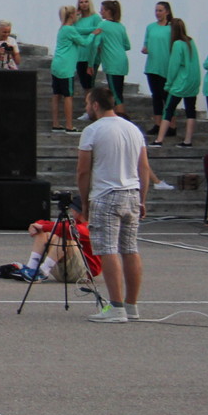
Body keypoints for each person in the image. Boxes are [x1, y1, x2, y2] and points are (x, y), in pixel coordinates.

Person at [76, 86, 151, 322]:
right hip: (131, 193)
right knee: (130, 249)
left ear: (96, 105)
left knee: (107, 249)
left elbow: (83, 170)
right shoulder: (133, 129)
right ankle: (131, 305)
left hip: (106, 194)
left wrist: (85, 202)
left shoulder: (92, 130)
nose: (86, 108)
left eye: (87, 104)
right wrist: (142, 198)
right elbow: (144, 167)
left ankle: (116, 307)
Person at [15, 195, 100, 284]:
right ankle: (31, 267)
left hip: (82, 274)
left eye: (72, 208)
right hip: (65, 270)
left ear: (78, 211)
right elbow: (51, 224)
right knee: (44, 233)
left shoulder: (91, 226)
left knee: (64, 236)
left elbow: (67, 230)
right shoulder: (75, 222)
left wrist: (42, 226)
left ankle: (43, 272)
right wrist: (36, 225)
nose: (71, 210)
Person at [153, 17, 200, 149]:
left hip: (181, 83)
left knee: (168, 109)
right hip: (193, 82)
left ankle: (159, 139)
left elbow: (173, 66)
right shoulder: (190, 41)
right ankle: (188, 140)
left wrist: (168, 83)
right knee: (190, 110)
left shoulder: (177, 44)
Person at [50, 5, 92, 133]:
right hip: (66, 67)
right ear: (72, 15)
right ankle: (69, 125)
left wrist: (93, 29)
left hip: (57, 64)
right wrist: (94, 34)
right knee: (68, 96)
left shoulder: (63, 28)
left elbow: (81, 30)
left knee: (56, 95)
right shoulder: (70, 29)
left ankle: (55, 123)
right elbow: (84, 42)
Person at [141, 0, 174, 133]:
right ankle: (158, 123)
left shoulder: (171, 28)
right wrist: (145, 49)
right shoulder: (150, 27)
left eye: (160, 10)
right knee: (156, 96)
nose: (158, 13)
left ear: (167, 12)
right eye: (156, 10)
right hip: (152, 66)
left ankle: (171, 125)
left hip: (166, 67)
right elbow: (146, 44)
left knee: (166, 96)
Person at [94, 1, 132, 106]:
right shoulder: (120, 26)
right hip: (122, 62)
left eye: (102, 10)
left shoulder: (102, 25)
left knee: (115, 95)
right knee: (118, 91)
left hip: (111, 62)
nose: (100, 12)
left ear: (108, 11)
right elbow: (127, 46)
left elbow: (96, 43)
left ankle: (120, 115)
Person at [73, 0, 104, 98]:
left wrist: (82, 32)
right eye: (81, 2)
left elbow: (100, 30)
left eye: (86, 1)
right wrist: (92, 31)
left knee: (89, 83)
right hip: (79, 54)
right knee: (84, 84)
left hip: (91, 54)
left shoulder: (95, 17)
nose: (84, 4)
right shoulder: (77, 19)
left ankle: (90, 105)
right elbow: (73, 30)